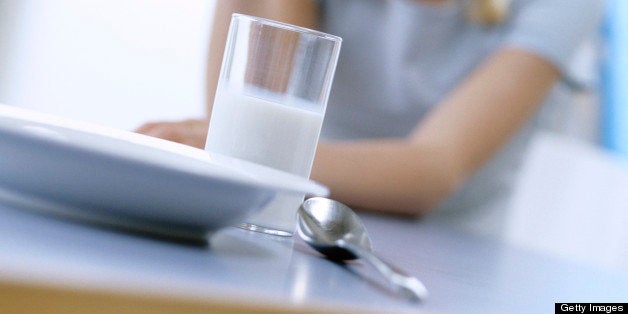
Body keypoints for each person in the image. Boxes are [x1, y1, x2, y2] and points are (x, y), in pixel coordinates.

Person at [136, 0, 603, 236]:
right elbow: (263, 100)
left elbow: (431, 171)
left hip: (443, 255)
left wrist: (241, 151)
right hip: (284, 223)